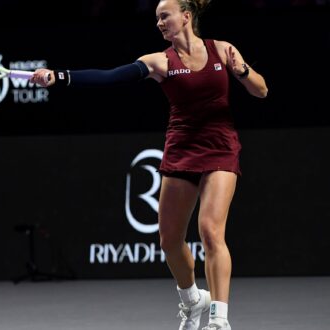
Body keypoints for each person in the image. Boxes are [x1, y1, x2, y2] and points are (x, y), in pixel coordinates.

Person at [31, 0, 268, 329]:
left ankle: (219, 320)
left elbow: (261, 91)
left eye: (164, 16)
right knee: (169, 240)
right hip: (181, 149)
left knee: (211, 231)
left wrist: (241, 71)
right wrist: (59, 76)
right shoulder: (159, 62)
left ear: (186, 16)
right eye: (157, 18)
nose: (158, 23)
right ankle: (191, 300)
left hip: (220, 147)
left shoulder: (223, 50)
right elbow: (111, 77)